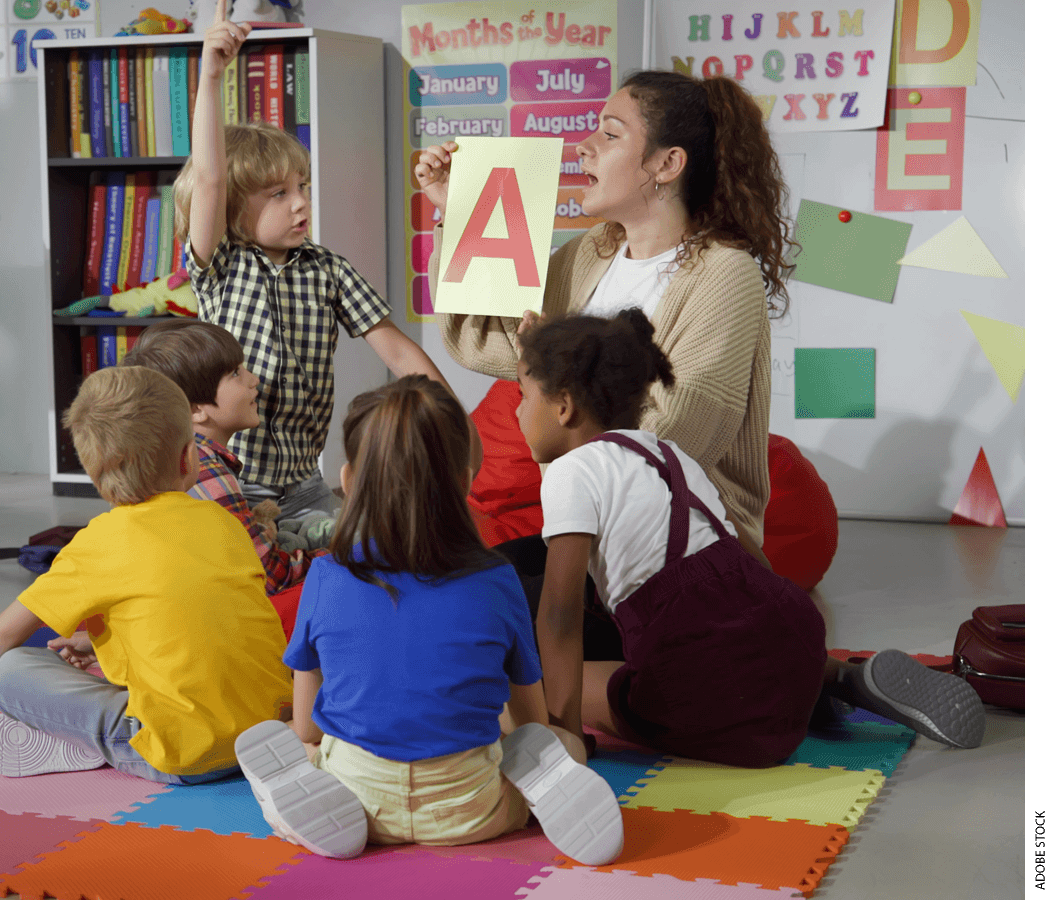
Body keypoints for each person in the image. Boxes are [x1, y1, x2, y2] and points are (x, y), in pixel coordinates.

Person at [514, 312, 985, 765]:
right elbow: (747, 554)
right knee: (735, 642)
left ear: (563, 405)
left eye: (522, 396)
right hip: (791, 635)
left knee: (559, 681)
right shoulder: (668, 454)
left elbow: (558, 618)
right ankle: (834, 677)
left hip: (711, 692)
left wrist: (566, 736)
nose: (517, 412)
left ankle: (790, 695)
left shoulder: (570, 473)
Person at [233, 376, 624, 865]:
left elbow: (311, 724)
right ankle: (534, 801)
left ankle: (298, 792)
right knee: (561, 745)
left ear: (349, 480)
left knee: (306, 745)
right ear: (464, 482)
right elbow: (531, 724)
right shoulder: (497, 579)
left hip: (359, 800)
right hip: (472, 810)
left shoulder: (327, 575)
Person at [418, 70, 793, 560]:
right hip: (586, 526)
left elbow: (672, 439)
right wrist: (457, 210)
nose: (583, 145)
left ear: (666, 164)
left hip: (678, 540)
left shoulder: (725, 273)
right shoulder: (592, 251)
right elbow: (483, 340)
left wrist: (553, 372)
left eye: (610, 134)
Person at [176, 0, 475, 521]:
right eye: (277, 194)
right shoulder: (221, 266)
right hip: (227, 479)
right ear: (230, 208)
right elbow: (209, 179)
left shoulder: (328, 269)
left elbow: (402, 356)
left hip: (305, 484)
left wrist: (458, 425)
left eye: (302, 187)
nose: (300, 203)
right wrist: (211, 74)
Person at [0, 365, 293, 785]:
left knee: (13, 668)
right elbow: (207, 614)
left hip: (185, 755)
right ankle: (80, 737)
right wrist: (103, 642)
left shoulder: (99, 542)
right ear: (187, 457)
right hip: (271, 729)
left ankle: (81, 742)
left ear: (93, 472)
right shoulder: (222, 520)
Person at [122, 318, 319, 596]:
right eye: (236, 374)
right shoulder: (206, 470)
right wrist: (333, 558)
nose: (254, 379)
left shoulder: (162, 456)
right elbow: (268, 575)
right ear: (195, 410)